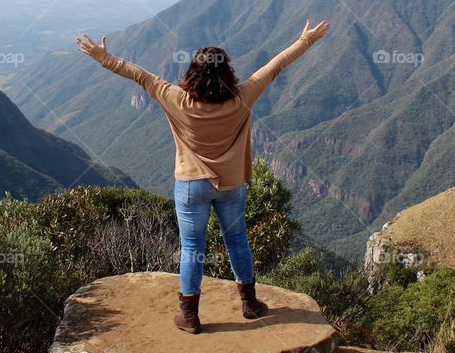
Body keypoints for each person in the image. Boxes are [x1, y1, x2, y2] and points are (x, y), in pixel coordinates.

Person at [77, 19, 330, 334]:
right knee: (237, 239)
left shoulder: (176, 100)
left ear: (193, 72)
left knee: (193, 247)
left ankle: (190, 316)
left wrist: (104, 58)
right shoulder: (243, 97)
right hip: (231, 185)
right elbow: (275, 66)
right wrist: (306, 41)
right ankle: (250, 303)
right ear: (227, 73)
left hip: (191, 186)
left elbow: (140, 75)